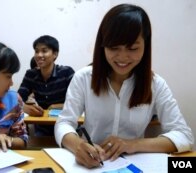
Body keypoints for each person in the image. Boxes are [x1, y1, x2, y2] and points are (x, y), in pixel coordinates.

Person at [54, 3, 194, 169]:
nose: (123, 57)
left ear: (145, 46)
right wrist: (78, 145)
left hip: (136, 166)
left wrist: (131, 144)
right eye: (114, 48)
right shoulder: (84, 78)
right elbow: (63, 123)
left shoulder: (155, 85)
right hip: (93, 164)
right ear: (103, 45)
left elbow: (184, 135)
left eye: (133, 48)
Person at [18, 35, 75, 136]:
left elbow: (77, 102)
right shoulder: (31, 75)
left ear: (55, 54)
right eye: (36, 51)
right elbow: (17, 99)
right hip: (42, 127)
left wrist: (55, 106)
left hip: (66, 126)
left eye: (44, 51)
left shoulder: (67, 73)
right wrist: (24, 107)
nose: (39, 55)